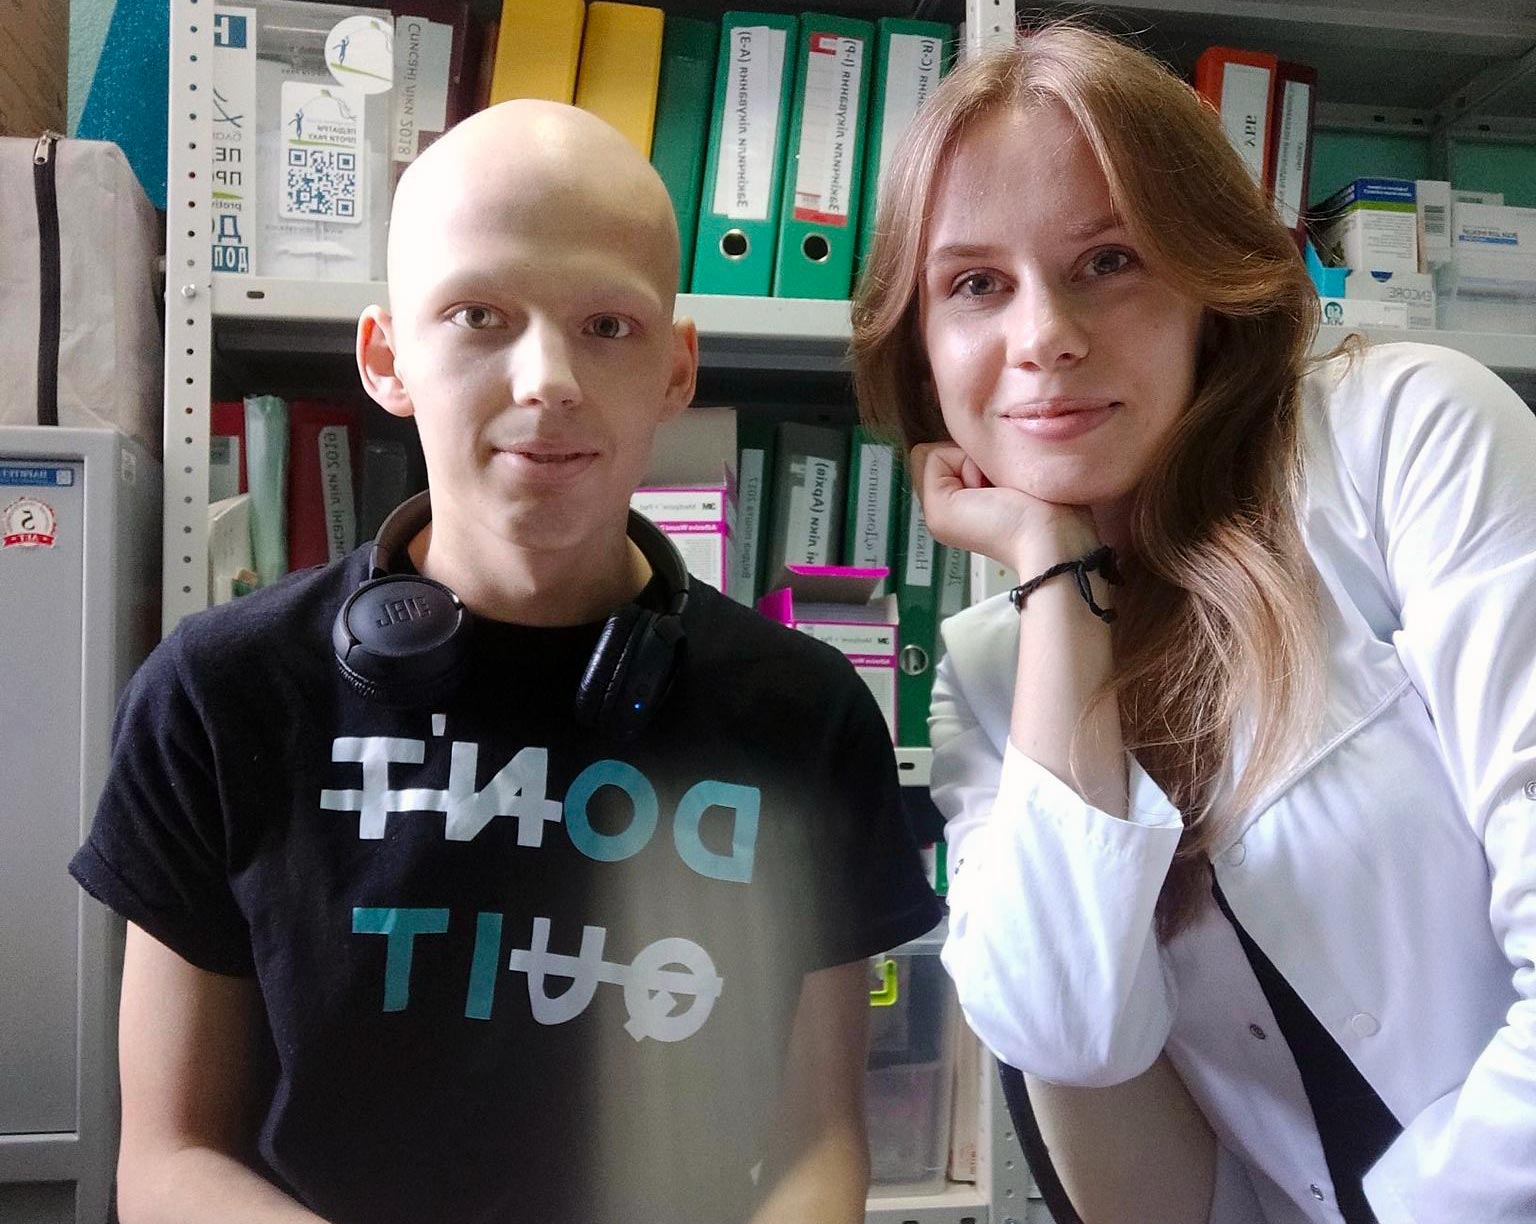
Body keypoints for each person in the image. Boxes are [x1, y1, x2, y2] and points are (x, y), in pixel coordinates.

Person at [72, 101, 942, 1224]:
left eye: (608, 325)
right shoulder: (217, 691)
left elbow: (817, 1147)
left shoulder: (807, 714)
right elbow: (169, 1158)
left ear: (677, 370)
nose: (548, 379)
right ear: (386, 356)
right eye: (479, 314)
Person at [851, 23, 1536, 1224]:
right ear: (920, 344)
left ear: (1208, 289)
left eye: (1108, 260)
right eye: (975, 284)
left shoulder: (1403, 437)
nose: (1043, 336)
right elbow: (1065, 1033)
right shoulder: (997, 670)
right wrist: (1055, 573)